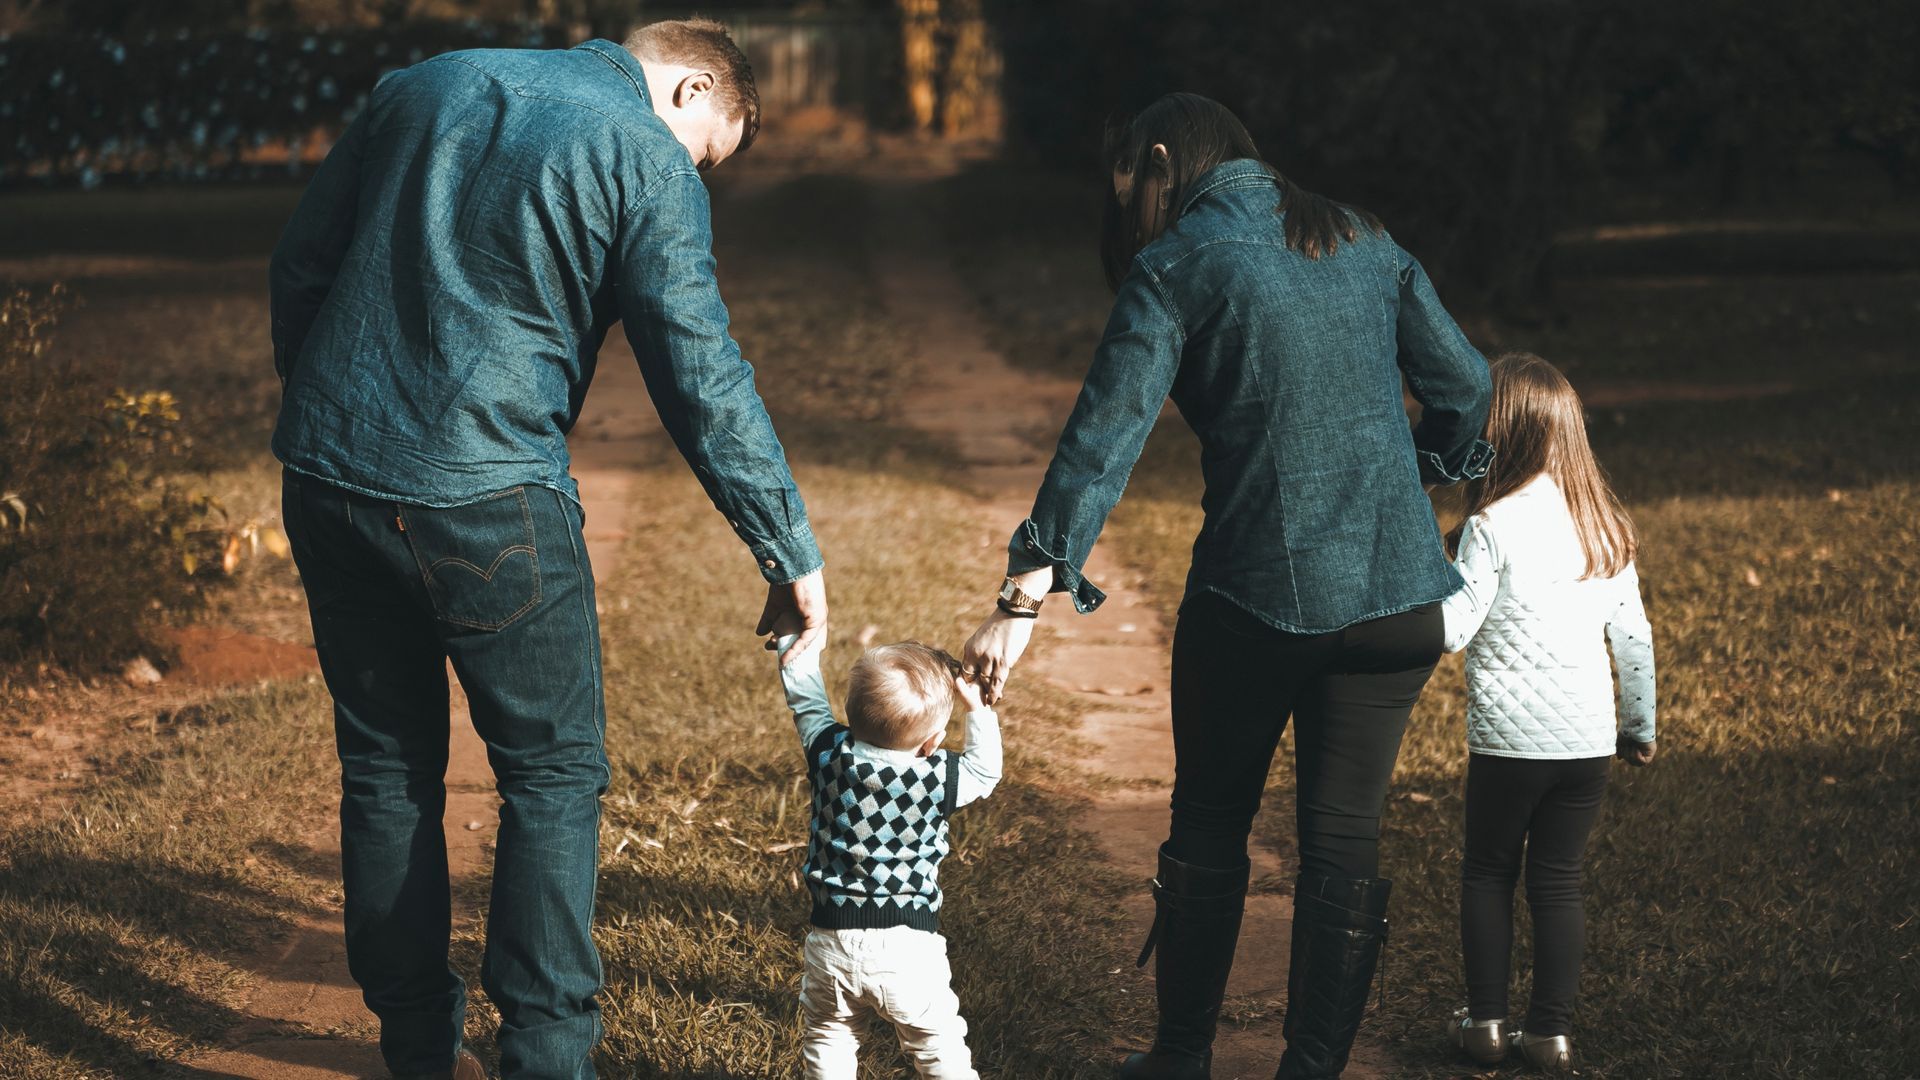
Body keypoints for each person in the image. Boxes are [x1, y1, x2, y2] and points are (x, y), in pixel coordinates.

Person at [269, 19, 828, 1080]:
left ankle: (417, 1052)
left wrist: (329, 413)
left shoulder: (422, 83)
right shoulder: (645, 157)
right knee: (554, 776)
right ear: (692, 84)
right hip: (489, 497)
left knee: (387, 771)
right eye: (709, 149)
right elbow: (698, 374)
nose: (694, 172)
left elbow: (301, 263)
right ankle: (545, 1058)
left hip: (329, 481)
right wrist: (785, 546)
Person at [961, 93, 1494, 1079]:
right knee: (1343, 841)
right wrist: (1416, 472)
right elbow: (1465, 388)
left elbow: (1099, 444)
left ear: (1162, 160)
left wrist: (1019, 600)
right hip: (1399, 607)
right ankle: (1311, 1069)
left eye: (1135, 192)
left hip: (1259, 602)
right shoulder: (1362, 236)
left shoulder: (1176, 264)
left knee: (1210, 823)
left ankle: (1180, 1058)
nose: (1135, 216)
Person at [1439, 352, 1657, 1074]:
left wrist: (1420, 584)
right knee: (1559, 880)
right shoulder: (1605, 528)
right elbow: (1632, 638)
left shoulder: (1492, 526)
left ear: (1497, 432)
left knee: (1489, 872)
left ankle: (1486, 1027)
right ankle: (1551, 1035)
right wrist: (1639, 727)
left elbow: (1452, 631)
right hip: (1587, 744)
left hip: (1507, 745)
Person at [772, 629, 1002, 1080]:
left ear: (851, 713)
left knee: (828, 1036)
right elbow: (986, 771)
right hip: (908, 948)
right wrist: (978, 709)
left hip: (831, 941)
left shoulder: (829, 754)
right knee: (939, 1050)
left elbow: (805, 701)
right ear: (932, 742)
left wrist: (794, 640)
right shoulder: (939, 778)